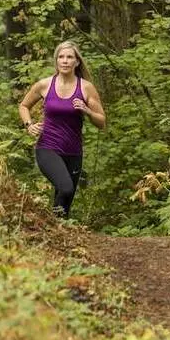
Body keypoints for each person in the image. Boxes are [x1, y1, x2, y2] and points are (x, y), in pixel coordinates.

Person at [18, 41, 105, 218]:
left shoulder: (86, 87)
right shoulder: (44, 85)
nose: (65, 61)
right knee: (66, 188)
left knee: (65, 205)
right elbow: (23, 106)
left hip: (74, 152)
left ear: (77, 62)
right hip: (47, 147)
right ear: (56, 61)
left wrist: (87, 111)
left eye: (69, 57)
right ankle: (48, 225)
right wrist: (29, 125)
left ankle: (55, 230)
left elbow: (101, 122)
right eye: (61, 57)